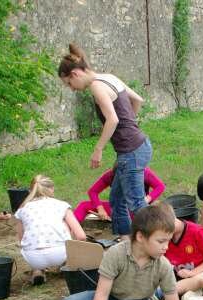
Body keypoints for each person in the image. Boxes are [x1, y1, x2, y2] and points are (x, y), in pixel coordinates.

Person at [61, 205, 184, 300]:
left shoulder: (163, 265)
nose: (166, 247)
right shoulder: (116, 253)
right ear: (140, 237)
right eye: (161, 241)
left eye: (168, 241)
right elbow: (102, 294)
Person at [58, 43, 152, 237]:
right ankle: (124, 241)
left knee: (136, 204)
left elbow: (113, 119)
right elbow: (138, 100)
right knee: (117, 199)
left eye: (68, 83)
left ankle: (156, 244)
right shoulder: (108, 77)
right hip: (136, 147)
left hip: (131, 151)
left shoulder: (96, 86)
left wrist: (98, 149)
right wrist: (130, 126)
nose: (72, 89)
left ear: (75, 74)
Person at [14, 175, 87, 285]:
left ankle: (37, 270)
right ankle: (67, 264)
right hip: (60, 253)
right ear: (52, 189)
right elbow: (81, 236)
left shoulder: (22, 209)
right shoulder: (61, 205)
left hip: (33, 257)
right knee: (63, 224)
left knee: (35, 234)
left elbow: (21, 239)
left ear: (31, 190)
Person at [160, 203, 203, 300]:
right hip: (176, 275)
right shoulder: (166, 237)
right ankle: (192, 292)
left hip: (199, 275)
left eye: (163, 232)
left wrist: (193, 273)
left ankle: (162, 293)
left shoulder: (196, 231)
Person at [73, 167, 165, 223]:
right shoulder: (109, 176)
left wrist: (146, 200)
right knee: (84, 205)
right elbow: (93, 191)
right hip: (118, 207)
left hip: (139, 210)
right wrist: (100, 209)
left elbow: (160, 186)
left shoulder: (144, 173)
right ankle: (68, 231)